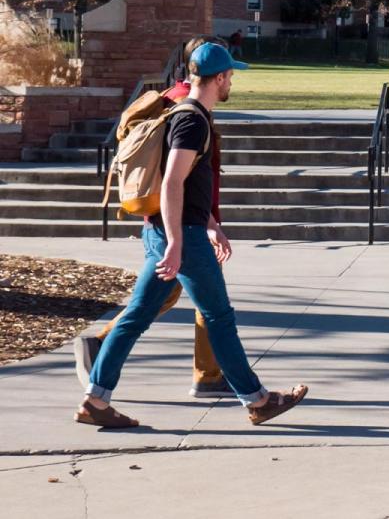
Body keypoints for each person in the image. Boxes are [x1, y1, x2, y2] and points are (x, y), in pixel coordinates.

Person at [74, 42, 308, 429]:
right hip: (179, 234)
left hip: (165, 231)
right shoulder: (193, 120)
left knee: (135, 317)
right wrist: (179, 243)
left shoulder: (186, 114)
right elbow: (172, 183)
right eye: (230, 75)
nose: (232, 81)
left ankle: (96, 400)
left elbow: (189, 184)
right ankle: (259, 400)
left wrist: (212, 225)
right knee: (219, 316)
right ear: (218, 78)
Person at [74, 36, 232, 399]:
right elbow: (176, 177)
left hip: (186, 221)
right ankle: (214, 379)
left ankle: (102, 374)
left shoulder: (178, 100)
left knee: (162, 302)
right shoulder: (185, 107)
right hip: (180, 225)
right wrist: (195, 228)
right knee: (199, 306)